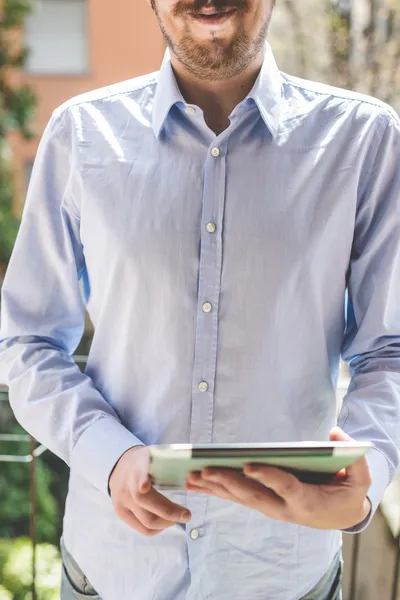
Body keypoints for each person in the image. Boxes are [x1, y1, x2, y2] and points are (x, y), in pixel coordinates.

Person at [1, 0, 400, 598]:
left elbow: (389, 348)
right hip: (113, 572)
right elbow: (26, 341)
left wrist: (363, 489)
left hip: (285, 577)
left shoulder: (366, 140)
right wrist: (110, 457)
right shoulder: (79, 135)